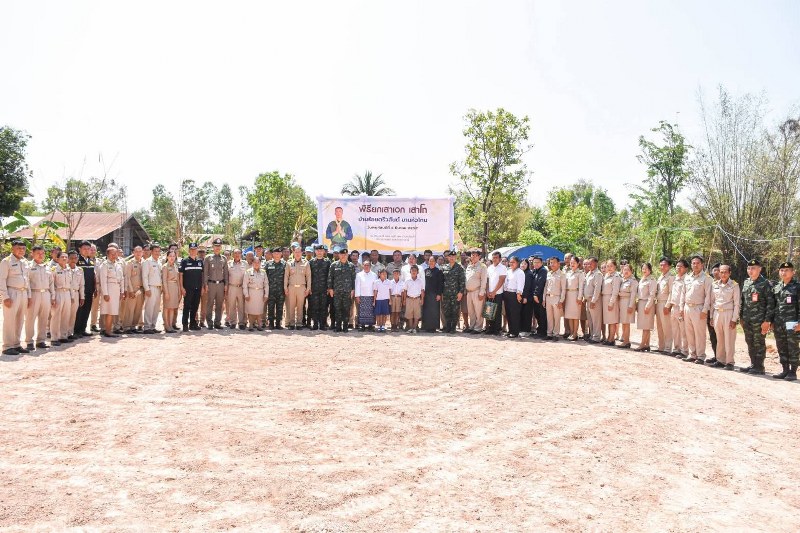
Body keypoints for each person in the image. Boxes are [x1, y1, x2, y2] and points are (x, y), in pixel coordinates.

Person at [738, 259, 773, 375]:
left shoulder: (765, 284)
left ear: (760, 269)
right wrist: (741, 317)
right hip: (747, 319)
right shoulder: (746, 282)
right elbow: (743, 301)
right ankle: (753, 364)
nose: (750, 270)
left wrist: (767, 321)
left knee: (759, 343)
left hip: (759, 320)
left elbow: (770, 304)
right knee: (750, 342)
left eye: (753, 268)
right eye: (749, 268)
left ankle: (759, 366)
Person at [767, 262, 799, 381]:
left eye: (786, 270)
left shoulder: (797, 287)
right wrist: (771, 321)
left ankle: (793, 372)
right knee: (781, 347)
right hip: (778, 323)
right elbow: (773, 306)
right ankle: (785, 370)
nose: (783, 272)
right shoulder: (777, 287)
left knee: (793, 348)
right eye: (781, 270)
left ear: (793, 272)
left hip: (792, 323)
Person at [681, 255, 714, 364]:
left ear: (702, 265)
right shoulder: (687, 277)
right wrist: (681, 307)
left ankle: (700, 356)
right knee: (689, 332)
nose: (695, 265)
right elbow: (683, 293)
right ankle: (692, 354)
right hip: (687, 307)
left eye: (698, 263)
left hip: (699, 308)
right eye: (693, 263)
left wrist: (705, 310)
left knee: (699, 333)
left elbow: (708, 296)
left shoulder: (707, 278)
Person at [0, 240, 30, 355]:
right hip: (12, 293)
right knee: (9, 320)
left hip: (23, 293)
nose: (21, 250)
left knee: (19, 320)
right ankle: (7, 346)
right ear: (12, 249)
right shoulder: (6, 261)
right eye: (18, 248)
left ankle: (16, 344)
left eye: (23, 248)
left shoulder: (25, 261)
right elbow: (2, 279)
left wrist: (29, 296)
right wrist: (5, 297)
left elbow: (27, 279)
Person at [710, 264, 740, 370]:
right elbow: (712, 302)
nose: (723, 274)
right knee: (720, 338)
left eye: (725, 272)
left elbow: (737, 304)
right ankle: (720, 360)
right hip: (717, 313)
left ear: (730, 273)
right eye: (721, 272)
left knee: (729, 339)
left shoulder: (734, 285)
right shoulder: (715, 285)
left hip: (728, 313)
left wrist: (734, 319)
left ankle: (730, 362)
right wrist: (711, 317)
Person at [26, 245, 55, 348]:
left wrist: (53, 296)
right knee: (30, 318)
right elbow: (27, 283)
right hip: (34, 294)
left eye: (42, 253)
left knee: (44, 318)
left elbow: (51, 283)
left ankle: (41, 340)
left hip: (46, 294)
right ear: (32, 254)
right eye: (38, 253)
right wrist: (29, 297)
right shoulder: (28, 266)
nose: (41, 255)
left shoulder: (47, 267)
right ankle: (29, 341)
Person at [97, 245, 125, 338]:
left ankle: (109, 329)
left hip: (116, 288)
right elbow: (103, 280)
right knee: (109, 310)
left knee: (113, 311)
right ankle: (108, 331)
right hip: (109, 288)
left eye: (115, 253)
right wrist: (105, 293)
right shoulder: (105, 265)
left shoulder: (118, 265)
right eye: (112, 254)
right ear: (107, 254)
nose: (114, 255)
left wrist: (122, 291)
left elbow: (122, 278)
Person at [327, 247, 355, 332]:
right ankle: (338, 326)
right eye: (342, 254)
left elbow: (353, 279)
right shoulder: (334, 265)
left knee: (346, 309)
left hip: (347, 291)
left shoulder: (351, 266)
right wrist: (330, 289)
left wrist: (353, 290)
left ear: (347, 255)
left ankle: (345, 327)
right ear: (339, 255)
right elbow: (330, 277)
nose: (343, 256)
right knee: (337, 309)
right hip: (337, 291)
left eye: (345, 254)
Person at [203, 238, 228, 330]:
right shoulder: (208, 258)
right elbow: (205, 272)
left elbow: (226, 273)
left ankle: (217, 322)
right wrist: (205, 284)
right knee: (209, 303)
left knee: (219, 304)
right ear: (213, 247)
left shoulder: (224, 258)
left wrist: (226, 284)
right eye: (216, 246)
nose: (217, 248)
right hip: (211, 284)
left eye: (219, 246)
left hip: (221, 284)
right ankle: (209, 322)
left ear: (221, 247)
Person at [284, 246, 311, 330]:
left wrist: (308, 288)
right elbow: (286, 276)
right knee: (291, 306)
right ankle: (291, 323)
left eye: (299, 252)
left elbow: (308, 277)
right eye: (296, 252)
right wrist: (285, 287)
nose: (297, 254)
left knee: (300, 306)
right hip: (291, 287)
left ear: (302, 253)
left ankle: (299, 323)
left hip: (301, 288)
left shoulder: (306, 263)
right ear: (293, 253)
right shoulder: (289, 263)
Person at [666, 259, 689, 358]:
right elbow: (671, 293)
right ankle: (676, 349)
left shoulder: (687, 279)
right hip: (674, 307)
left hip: (681, 308)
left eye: (681, 266)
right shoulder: (675, 278)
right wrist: (668, 305)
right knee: (675, 330)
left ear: (686, 268)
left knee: (683, 330)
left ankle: (685, 351)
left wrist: (682, 308)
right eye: (677, 266)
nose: (678, 268)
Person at [179, 243, 204, 332]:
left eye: (195, 249)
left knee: (195, 306)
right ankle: (185, 324)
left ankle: (193, 324)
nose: (193, 251)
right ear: (189, 250)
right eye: (191, 249)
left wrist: (202, 287)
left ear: (197, 250)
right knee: (187, 306)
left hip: (198, 288)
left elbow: (202, 275)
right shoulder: (184, 261)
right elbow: (181, 275)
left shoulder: (200, 261)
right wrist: (182, 287)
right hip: (188, 288)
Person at [49, 252, 73, 346]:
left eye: (66, 257)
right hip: (58, 292)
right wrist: (53, 297)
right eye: (62, 257)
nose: (64, 258)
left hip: (67, 293)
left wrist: (71, 296)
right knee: (56, 316)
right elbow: (51, 284)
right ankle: (54, 338)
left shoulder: (68, 269)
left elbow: (71, 284)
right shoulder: (54, 269)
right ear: (57, 259)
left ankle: (63, 336)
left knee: (66, 315)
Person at [74, 240, 95, 337]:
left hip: (90, 289)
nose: (87, 250)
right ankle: (76, 330)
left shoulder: (91, 261)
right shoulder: (77, 260)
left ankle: (83, 329)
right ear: (79, 249)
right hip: (80, 290)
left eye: (88, 249)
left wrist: (94, 289)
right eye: (84, 248)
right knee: (79, 311)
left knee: (87, 310)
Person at [462, 250, 487, 334]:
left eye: (475, 255)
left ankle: (478, 328)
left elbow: (484, 280)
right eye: (472, 255)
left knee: (478, 311)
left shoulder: (482, 266)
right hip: (469, 292)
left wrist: (481, 292)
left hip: (477, 291)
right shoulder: (469, 266)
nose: (473, 257)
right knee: (471, 311)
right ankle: (472, 326)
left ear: (479, 257)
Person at [441, 251, 466, 333]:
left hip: (456, 293)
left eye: (453, 256)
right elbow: (441, 281)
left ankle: (453, 327)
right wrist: (441, 292)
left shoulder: (459, 268)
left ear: (456, 258)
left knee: (455, 311)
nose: (452, 258)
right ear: (448, 257)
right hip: (446, 293)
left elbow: (462, 281)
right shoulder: (444, 267)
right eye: (450, 256)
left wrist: (461, 292)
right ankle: (448, 327)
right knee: (446, 310)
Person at [634, 262, 657, 352]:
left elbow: (652, 294)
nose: (644, 270)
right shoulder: (642, 279)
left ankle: (642, 345)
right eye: (643, 269)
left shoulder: (652, 280)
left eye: (646, 269)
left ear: (650, 270)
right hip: (641, 302)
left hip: (647, 303)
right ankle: (647, 344)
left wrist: (648, 305)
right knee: (644, 325)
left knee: (646, 326)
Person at [654, 258, 674, 353]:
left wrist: (668, 305)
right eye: (661, 265)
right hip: (658, 303)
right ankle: (661, 346)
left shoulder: (671, 277)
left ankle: (668, 348)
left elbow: (671, 292)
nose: (662, 267)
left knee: (667, 326)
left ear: (669, 266)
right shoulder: (660, 277)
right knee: (659, 326)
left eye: (664, 265)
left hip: (665, 303)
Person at [141, 244, 162, 334]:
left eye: (158, 251)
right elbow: (144, 276)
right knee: (149, 308)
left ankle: (153, 326)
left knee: (156, 308)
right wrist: (147, 289)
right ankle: (147, 327)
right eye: (155, 251)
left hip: (158, 288)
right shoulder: (148, 262)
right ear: (151, 252)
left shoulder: (159, 262)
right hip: (151, 287)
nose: (157, 253)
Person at [501, 256, 525, 338]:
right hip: (507, 293)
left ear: (517, 263)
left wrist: (519, 294)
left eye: (513, 262)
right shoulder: (508, 271)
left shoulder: (520, 272)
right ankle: (510, 330)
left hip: (515, 294)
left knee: (514, 314)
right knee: (508, 313)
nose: (511, 264)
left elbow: (520, 284)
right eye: (510, 262)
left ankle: (515, 332)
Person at [309, 244, 331, 330]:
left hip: (324, 289)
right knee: (314, 307)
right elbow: (309, 276)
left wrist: (329, 288)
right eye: (318, 250)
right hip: (314, 289)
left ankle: (322, 325)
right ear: (315, 251)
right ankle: (315, 324)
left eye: (321, 250)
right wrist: (309, 287)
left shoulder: (327, 262)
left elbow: (329, 276)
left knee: (324, 307)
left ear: (324, 252)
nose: (319, 252)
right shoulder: (311, 262)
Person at [484, 251, 507, 336]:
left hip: (498, 293)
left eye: (496, 257)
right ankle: (491, 328)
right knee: (489, 310)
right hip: (489, 293)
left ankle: (497, 329)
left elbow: (502, 280)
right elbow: (487, 280)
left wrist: (494, 291)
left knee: (497, 312)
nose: (494, 259)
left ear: (500, 259)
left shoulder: (503, 268)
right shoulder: (490, 267)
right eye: (493, 257)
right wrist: (487, 291)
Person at [616, 263, 638, 348]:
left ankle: (626, 341)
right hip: (622, 302)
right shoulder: (623, 280)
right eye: (624, 270)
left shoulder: (633, 281)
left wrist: (630, 306)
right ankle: (625, 340)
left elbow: (633, 294)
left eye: (628, 270)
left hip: (628, 302)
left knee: (626, 323)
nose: (626, 271)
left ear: (631, 271)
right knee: (623, 322)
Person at [544, 257, 566, 341]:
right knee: (549, 317)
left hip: (557, 297)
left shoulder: (562, 274)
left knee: (557, 317)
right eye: (550, 263)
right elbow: (546, 287)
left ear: (558, 264)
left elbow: (563, 289)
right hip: (548, 297)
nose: (551, 264)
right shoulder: (549, 273)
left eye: (553, 262)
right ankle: (549, 333)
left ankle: (556, 334)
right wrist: (544, 299)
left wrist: (561, 300)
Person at [243, 257, 268, 331]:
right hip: (251, 292)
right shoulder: (248, 272)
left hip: (260, 292)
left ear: (260, 263)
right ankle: (251, 325)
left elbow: (266, 284)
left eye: (258, 263)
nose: (256, 264)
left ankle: (259, 325)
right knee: (250, 310)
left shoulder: (263, 272)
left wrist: (266, 295)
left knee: (259, 310)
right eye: (255, 262)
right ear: (252, 263)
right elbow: (245, 284)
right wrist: (246, 294)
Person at [265, 247, 287, 330]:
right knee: (270, 307)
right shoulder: (268, 264)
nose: (277, 255)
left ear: (281, 254)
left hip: (281, 290)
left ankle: (278, 323)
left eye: (278, 253)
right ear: (272, 254)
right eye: (275, 253)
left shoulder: (285, 264)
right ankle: (271, 323)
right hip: (270, 290)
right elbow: (265, 277)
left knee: (280, 307)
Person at [601, 259, 621, 346]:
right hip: (605, 299)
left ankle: (611, 339)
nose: (609, 268)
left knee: (612, 321)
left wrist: (611, 303)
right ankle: (610, 338)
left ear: (615, 267)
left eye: (611, 266)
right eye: (608, 266)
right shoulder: (606, 275)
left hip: (611, 300)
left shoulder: (616, 277)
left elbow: (615, 291)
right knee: (608, 320)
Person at [563, 256, 584, 341]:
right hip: (568, 295)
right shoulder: (568, 273)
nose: (572, 264)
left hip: (576, 295)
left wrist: (579, 297)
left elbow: (581, 286)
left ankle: (575, 333)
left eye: (574, 263)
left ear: (578, 264)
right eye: (571, 263)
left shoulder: (580, 273)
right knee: (569, 316)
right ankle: (571, 332)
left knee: (575, 316)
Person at [582, 257, 602, 343]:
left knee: (596, 320)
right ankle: (592, 336)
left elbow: (597, 289)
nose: (589, 265)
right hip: (588, 300)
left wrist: (593, 301)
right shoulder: (589, 274)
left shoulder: (598, 274)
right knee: (590, 320)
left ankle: (596, 337)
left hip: (594, 300)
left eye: (591, 263)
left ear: (596, 263)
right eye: (588, 263)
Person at [66, 250, 84, 340]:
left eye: (75, 258)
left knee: (73, 315)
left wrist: (82, 297)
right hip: (66, 293)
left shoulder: (80, 270)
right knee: (65, 314)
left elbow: (82, 285)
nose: (73, 260)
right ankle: (63, 333)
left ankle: (70, 333)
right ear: (67, 259)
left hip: (76, 294)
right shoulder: (65, 269)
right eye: (71, 258)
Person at [226, 249, 247, 330]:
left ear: (241, 254)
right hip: (232, 287)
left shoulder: (245, 263)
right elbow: (226, 275)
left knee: (241, 305)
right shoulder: (229, 263)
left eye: (239, 253)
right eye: (235, 253)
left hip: (241, 287)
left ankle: (241, 322)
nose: (237, 254)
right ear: (232, 255)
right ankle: (233, 322)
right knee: (232, 305)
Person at [422, 256, 443, 333]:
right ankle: (426, 326)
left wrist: (439, 294)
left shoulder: (438, 271)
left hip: (434, 294)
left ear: (435, 262)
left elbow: (440, 283)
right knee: (426, 311)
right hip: (426, 294)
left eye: (433, 261)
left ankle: (433, 327)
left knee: (434, 311)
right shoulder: (425, 271)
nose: (431, 262)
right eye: (430, 261)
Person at [355, 260, 378, 330]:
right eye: (365, 265)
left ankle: (370, 325)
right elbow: (357, 286)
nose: (366, 266)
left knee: (371, 312)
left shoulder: (374, 275)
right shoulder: (359, 275)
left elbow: (376, 286)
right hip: (362, 296)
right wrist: (357, 296)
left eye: (368, 265)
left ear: (370, 266)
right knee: (362, 312)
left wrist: (375, 296)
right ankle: (362, 325)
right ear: (363, 266)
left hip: (371, 296)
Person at [161, 250, 180, 334]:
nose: (172, 258)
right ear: (167, 257)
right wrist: (166, 292)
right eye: (170, 256)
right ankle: (167, 326)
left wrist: (179, 291)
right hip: (168, 287)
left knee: (172, 307)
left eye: (173, 256)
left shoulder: (175, 266)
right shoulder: (165, 266)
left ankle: (171, 325)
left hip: (175, 287)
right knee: (167, 308)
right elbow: (164, 280)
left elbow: (178, 280)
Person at [706, 263, 722, 362]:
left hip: (721, 313)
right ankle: (716, 356)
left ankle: (722, 358)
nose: (716, 272)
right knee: (713, 335)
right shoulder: (711, 283)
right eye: (714, 270)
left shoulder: (728, 284)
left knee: (720, 336)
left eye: (718, 270)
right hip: (710, 313)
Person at [404, 265, 424, 333]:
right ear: (410, 272)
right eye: (412, 270)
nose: (414, 272)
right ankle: (410, 328)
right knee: (409, 314)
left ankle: (414, 328)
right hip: (409, 299)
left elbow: (422, 291)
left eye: (415, 271)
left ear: (417, 272)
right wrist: (404, 300)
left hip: (417, 299)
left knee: (416, 314)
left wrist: (422, 299)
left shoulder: (420, 281)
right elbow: (405, 291)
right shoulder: (407, 280)